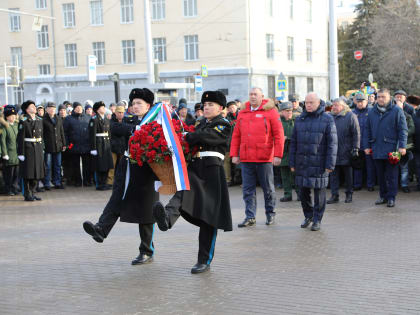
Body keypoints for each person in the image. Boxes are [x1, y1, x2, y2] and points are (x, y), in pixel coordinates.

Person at [153, 90, 232, 274]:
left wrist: (191, 135)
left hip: (212, 170)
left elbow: (208, 137)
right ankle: (166, 218)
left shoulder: (223, 124)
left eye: (211, 105)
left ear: (221, 108)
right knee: (183, 191)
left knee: (209, 217)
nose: (206, 107)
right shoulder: (201, 123)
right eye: (205, 105)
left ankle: (204, 260)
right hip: (196, 167)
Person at [83, 88, 159, 265]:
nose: (135, 106)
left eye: (139, 103)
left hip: (147, 168)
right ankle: (101, 229)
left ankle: (147, 250)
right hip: (127, 165)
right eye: (133, 103)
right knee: (116, 198)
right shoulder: (130, 120)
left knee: (146, 209)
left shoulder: (156, 121)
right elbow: (115, 127)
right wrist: (135, 128)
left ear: (148, 105)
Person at [230, 87, 284, 227]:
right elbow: (236, 135)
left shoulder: (270, 112)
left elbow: (278, 135)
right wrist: (234, 154)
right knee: (247, 190)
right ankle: (250, 216)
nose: (252, 96)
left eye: (255, 94)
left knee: (268, 189)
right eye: (251, 94)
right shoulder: (242, 112)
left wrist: (278, 155)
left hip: (264, 158)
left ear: (262, 97)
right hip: (247, 158)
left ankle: (270, 214)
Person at [290, 93, 338, 231]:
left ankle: (317, 219)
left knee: (319, 193)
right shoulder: (300, 119)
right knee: (303, 193)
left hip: (319, 163)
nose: (308, 105)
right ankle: (308, 215)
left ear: (318, 103)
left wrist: (330, 164)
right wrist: (292, 163)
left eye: (311, 102)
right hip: (302, 163)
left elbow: (332, 144)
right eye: (306, 102)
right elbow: (293, 143)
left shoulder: (327, 119)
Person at [364, 89, 408, 207]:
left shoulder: (397, 111)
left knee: (392, 175)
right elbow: (366, 129)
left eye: (383, 97)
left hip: (392, 149)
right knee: (380, 175)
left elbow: (403, 130)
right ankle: (382, 196)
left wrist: (402, 146)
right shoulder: (372, 111)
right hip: (377, 148)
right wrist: (367, 146)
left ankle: (391, 197)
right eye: (379, 97)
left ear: (389, 98)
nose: (381, 99)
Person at [327, 98, 360, 204]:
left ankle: (349, 194)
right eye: (333, 105)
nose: (334, 107)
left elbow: (356, 133)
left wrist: (356, 148)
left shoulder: (350, 116)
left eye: (336, 105)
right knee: (333, 175)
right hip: (333, 151)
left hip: (347, 150)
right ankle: (334, 195)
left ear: (342, 106)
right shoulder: (329, 117)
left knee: (348, 175)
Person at [17, 100, 45, 201]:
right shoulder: (24, 121)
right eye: (32, 106)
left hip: (37, 147)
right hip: (28, 148)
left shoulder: (39, 119)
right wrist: (21, 153)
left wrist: (42, 149)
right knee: (28, 173)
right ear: (27, 109)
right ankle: (27, 194)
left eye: (34, 106)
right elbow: (20, 138)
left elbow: (42, 136)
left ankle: (32, 192)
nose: (34, 107)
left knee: (36, 172)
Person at [63, 102, 92, 186]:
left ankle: (87, 181)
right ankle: (77, 181)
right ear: (74, 109)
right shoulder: (69, 119)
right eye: (77, 107)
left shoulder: (88, 117)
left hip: (86, 145)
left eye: (80, 107)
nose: (79, 109)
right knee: (75, 165)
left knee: (86, 165)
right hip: (73, 145)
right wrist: (68, 144)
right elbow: (65, 132)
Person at [352, 93, 376, 191]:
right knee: (357, 165)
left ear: (366, 101)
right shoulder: (352, 113)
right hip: (357, 144)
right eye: (358, 102)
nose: (360, 103)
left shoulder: (371, 112)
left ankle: (370, 185)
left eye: (362, 101)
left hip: (369, 144)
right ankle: (357, 184)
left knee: (370, 166)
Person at [89, 101, 114, 191]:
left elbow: (109, 133)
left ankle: (104, 182)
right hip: (99, 144)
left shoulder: (106, 119)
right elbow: (92, 135)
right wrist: (93, 148)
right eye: (102, 107)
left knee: (106, 164)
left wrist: (110, 144)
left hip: (106, 144)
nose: (104, 109)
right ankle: (99, 184)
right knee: (100, 165)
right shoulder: (94, 119)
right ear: (97, 109)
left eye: (104, 107)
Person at [42, 102, 66, 190]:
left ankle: (57, 182)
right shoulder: (43, 120)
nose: (52, 109)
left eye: (53, 108)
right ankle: (47, 183)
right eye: (50, 108)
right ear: (47, 109)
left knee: (58, 165)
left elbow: (61, 132)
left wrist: (64, 144)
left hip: (58, 146)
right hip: (48, 146)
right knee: (48, 166)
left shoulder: (58, 118)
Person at [278, 102, 299, 202]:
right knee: (285, 175)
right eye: (287, 111)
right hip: (283, 151)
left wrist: (288, 138)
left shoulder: (296, 121)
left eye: (290, 110)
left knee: (295, 174)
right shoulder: (278, 122)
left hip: (294, 151)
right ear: (281, 112)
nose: (289, 112)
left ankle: (300, 194)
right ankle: (287, 194)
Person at [395, 98, 414, 193]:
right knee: (393, 167)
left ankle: (404, 185)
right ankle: (394, 185)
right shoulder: (390, 116)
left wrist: (402, 133)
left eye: (400, 107)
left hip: (405, 146)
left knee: (404, 167)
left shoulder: (408, 117)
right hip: (393, 146)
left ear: (403, 107)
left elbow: (412, 129)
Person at [1, 106, 19, 196]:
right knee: (9, 174)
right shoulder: (5, 127)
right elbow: (2, 141)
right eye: (11, 116)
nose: (13, 117)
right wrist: (4, 153)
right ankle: (8, 189)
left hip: (16, 154)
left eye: (14, 115)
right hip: (9, 153)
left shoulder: (16, 126)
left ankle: (14, 188)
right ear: (7, 117)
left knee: (16, 173)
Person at [108, 105, 127, 185]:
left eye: (122, 112)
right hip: (113, 146)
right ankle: (110, 182)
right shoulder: (111, 121)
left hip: (123, 147)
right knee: (112, 166)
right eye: (119, 112)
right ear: (115, 113)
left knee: (122, 166)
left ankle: (121, 181)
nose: (121, 114)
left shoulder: (126, 121)